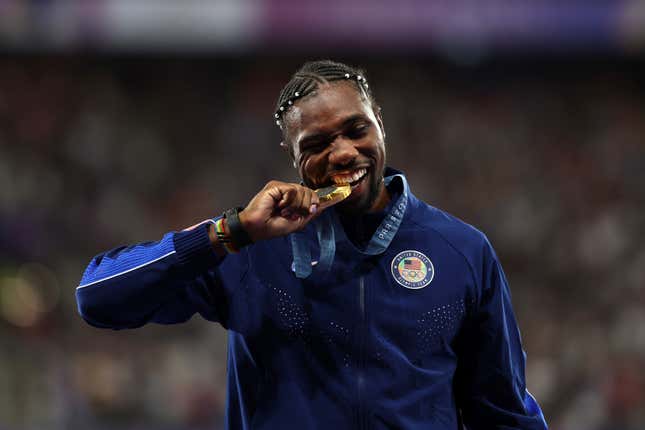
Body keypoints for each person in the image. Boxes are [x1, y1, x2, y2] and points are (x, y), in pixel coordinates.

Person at [76, 60, 548, 429]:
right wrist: (230, 232)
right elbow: (97, 298)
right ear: (293, 155)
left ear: (379, 123)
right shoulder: (251, 248)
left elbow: (503, 413)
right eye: (317, 142)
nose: (343, 152)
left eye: (356, 129)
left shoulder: (461, 251)